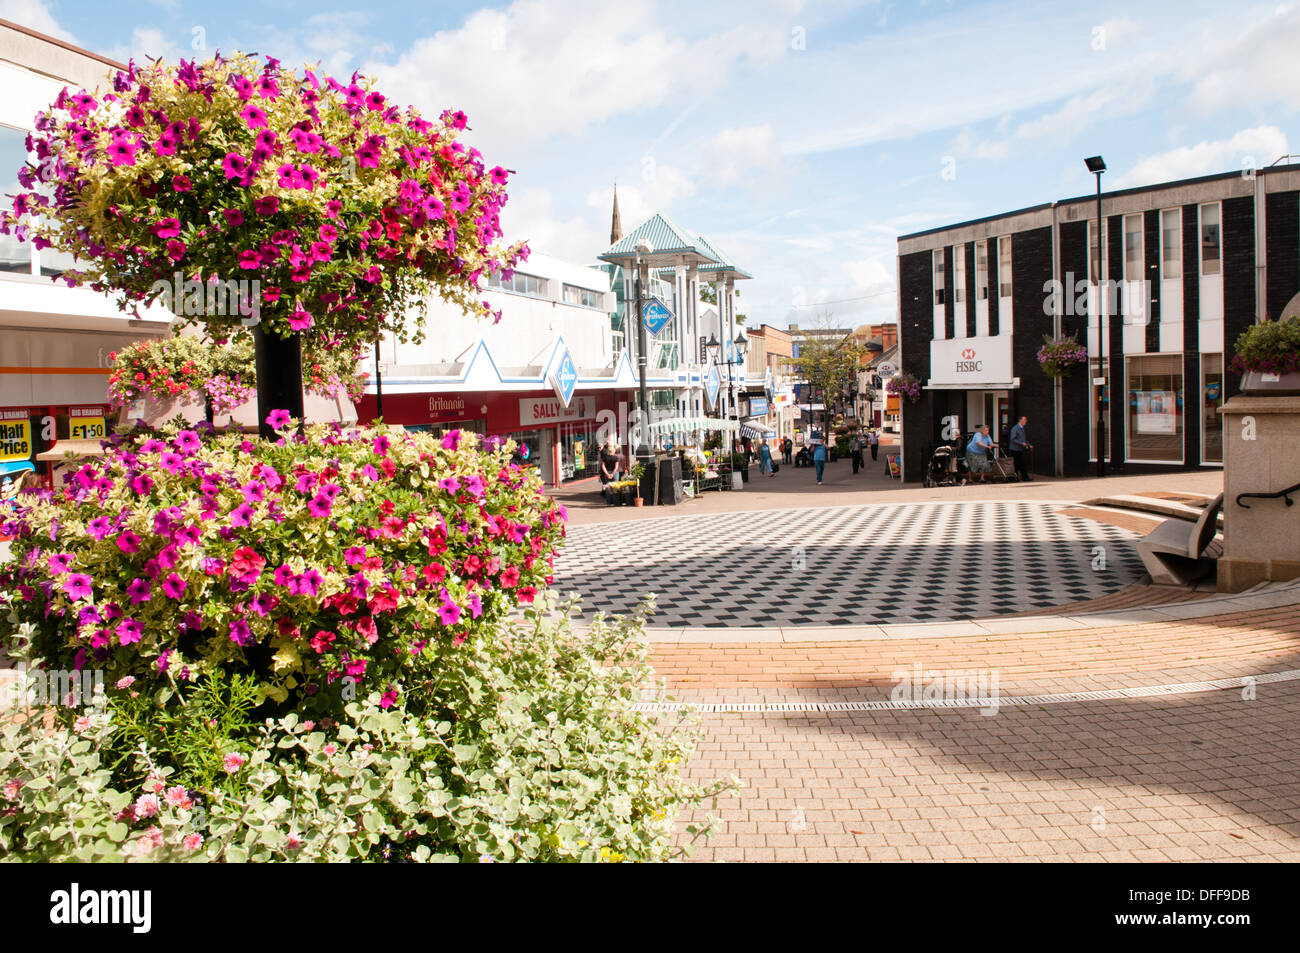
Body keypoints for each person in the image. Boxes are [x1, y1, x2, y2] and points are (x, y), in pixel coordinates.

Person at [599, 435, 622, 504]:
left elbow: (603, 466)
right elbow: (616, 467)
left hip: (607, 473)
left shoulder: (605, 458)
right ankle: (616, 501)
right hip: (614, 473)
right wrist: (612, 474)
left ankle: (609, 501)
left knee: (608, 488)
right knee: (615, 487)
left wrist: (607, 474)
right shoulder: (616, 458)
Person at [1009, 415, 1032, 481]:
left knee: (1022, 463)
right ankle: (1017, 478)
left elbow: (1023, 439)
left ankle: (1024, 477)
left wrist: (1028, 444)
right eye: (1024, 420)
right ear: (1020, 420)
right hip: (1015, 449)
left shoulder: (1022, 428)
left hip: (1020, 449)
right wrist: (1021, 443)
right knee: (1017, 464)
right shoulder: (1015, 428)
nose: (1026, 421)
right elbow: (1012, 439)